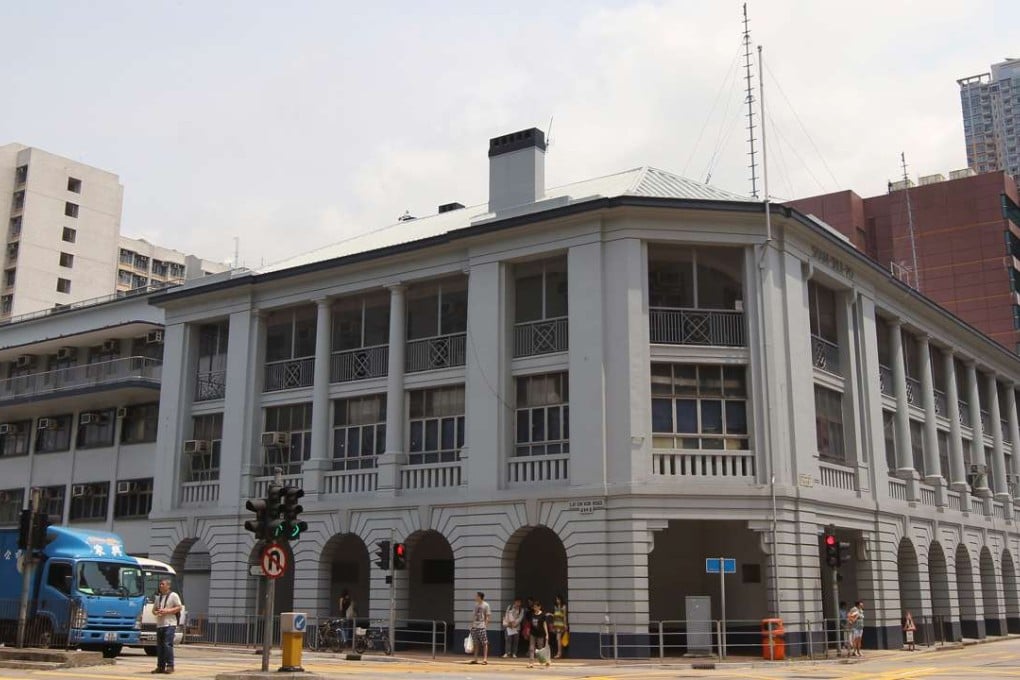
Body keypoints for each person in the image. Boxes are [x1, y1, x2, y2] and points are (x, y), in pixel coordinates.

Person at [151, 578, 183, 675]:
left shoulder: (173, 595)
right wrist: (157, 612)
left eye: (163, 584)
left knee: (167, 644)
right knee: (160, 646)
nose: (160, 586)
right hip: (160, 624)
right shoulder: (158, 597)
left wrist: (167, 611)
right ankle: (160, 666)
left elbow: (179, 607)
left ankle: (170, 666)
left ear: (168, 586)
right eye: (160, 584)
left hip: (170, 624)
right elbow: (153, 610)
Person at [527, 600, 551, 668]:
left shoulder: (543, 615)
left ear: (539, 607)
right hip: (533, 633)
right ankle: (531, 662)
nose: (535, 608)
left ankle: (546, 660)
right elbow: (530, 624)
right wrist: (528, 631)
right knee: (531, 648)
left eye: (536, 607)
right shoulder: (532, 614)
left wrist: (547, 634)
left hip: (540, 634)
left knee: (540, 648)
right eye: (534, 607)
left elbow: (544, 624)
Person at [469, 591, 491, 665]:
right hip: (475, 626)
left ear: (479, 597)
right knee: (475, 643)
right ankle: (475, 658)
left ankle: (485, 659)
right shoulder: (476, 605)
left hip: (481, 626)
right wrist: (471, 625)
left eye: (476, 596)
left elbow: (487, 616)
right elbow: (474, 615)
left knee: (484, 642)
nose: (475, 597)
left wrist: (485, 626)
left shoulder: (486, 605)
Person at [552, 594, 569, 659]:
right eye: (556, 599)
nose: (557, 600)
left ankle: (559, 653)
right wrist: (553, 625)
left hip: (561, 625)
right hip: (556, 624)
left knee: (558, 638)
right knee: (558, 639)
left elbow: (564, 616)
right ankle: (560, 653)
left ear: (561, 599)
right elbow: (554, 616)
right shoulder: (555, 607)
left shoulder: (563, 607)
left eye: (558, 599)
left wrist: (565, 624)